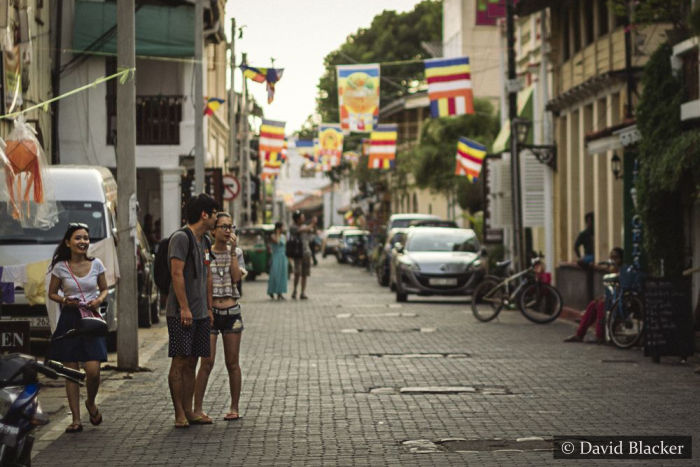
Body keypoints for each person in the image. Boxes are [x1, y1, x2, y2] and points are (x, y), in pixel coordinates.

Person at [47, 223, 109, 433]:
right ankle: (75, 420)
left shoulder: (97, 264)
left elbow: (104, 289)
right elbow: (52, 293)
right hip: (70, 320)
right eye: (78, 238)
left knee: (93, 370)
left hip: (91, 319)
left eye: (85, 238)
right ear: (68, 242)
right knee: (71, 372)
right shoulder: (60, 267)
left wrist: (98, 301)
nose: (83, 242)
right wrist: (65, 300)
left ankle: (90, 402)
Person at [166, 193, 218, 428]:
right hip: (181, 312)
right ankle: (178, 412)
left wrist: (208, 307)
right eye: (214, 213)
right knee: (179, 360)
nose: (216, 218)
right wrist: (184, 307)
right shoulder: (181, 238)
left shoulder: (205, 241)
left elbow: (206, 274)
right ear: (204, 214)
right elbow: (176, 273)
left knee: (192, 361)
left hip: (200, 312)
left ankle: (189, 410)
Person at [192, 212, 244, 422]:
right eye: (222, 226)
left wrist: (232, 253)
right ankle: (197, 408)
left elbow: (236, 278)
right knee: (207, 362)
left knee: (233, 362)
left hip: (232, 312)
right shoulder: (206, 253)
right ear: (213, 231)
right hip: (211, 312)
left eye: (230, 227)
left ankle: (234, 407)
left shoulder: (237, 252)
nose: (227, 231)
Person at [564, 247, 624, 343]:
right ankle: (579, 334)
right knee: (593, 305)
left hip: (620, 301)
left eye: (616, 257)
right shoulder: (612, 270)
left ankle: (600, 336)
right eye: (612, 257)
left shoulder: (623, 271)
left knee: (601, 306)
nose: (613, 260)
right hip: (610, 299)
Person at [289, 211, 315, 299]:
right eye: (302, 217)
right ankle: (295, 290)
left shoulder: (305, 227)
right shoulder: (293, 227)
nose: (303, 219)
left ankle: (303, 292)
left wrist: (311, 228)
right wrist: (312, 224)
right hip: (297, 253)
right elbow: (302, 230)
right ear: (297, 219)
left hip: (306, 252)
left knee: (305, 274)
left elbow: (310, 237)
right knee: (297, 273)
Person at [267, 222, 288, 300]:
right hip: (276, 257)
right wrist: (277, 233)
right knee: (274, 275)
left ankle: (280, 292)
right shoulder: (273, 236)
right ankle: (272, 291)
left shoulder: (283, 236)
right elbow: (277, 241)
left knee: (282, 275)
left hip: (282, 257)